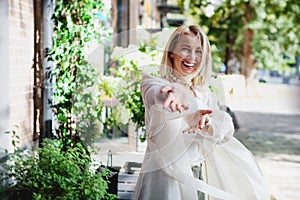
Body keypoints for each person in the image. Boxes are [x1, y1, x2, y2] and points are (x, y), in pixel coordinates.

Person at [133, 25, 270, 200]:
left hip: (196, 175)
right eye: (185, 49)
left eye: (199, 51)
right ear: (171, 52)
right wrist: (172, 95)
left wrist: (208, 123)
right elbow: (155, 95)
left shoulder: (203, 91)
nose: (192, 57)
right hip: (163, 179)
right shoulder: (153, 82)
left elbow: (223, 130)